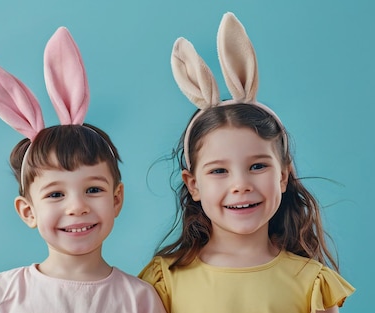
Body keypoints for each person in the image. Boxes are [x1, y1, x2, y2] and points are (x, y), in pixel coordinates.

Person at [138, 12, 355, 313]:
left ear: (283, 176)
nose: (240, 185)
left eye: (257, 166)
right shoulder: (164, 280)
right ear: (193, 184)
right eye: (219, 171)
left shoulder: (312, 283)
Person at [0, 26, 166, 313]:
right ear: (28, 211)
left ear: (116, 200)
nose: (77, 206)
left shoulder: (139, 299)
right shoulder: (1, 296)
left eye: (93, 189)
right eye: (55, 194)